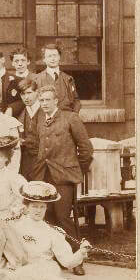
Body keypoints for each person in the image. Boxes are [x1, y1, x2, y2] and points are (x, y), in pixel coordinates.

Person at [27, 84, 94, 270]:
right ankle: (57, 257)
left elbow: (86, 149)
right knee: (47, 217)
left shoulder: (70, 118)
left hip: (64, 177)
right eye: (41, 100)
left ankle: (77, 259)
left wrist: (75, 168)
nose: (44, 103)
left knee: (63, 217)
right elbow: (34, 145)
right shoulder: (39, 119)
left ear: (56, 100)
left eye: (48, 99)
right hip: (43, 176)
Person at [3, 181, 95, 280]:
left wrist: (81, 252)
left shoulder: (54, 232)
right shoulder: (14, 226)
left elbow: (67, 262)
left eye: (42, 207)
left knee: (48, 279)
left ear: (46, 208)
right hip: (22, 267)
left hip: (45, 268)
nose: (38, 210)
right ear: (26, 207)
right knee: (13, 276)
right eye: (34, 206)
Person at [31, 44, 82, 113]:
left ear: (59, 57)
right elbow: (33, 102)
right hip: (45, 120)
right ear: (44, 59)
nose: (53, 59)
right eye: (49, 56)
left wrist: (73, 116)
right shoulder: (37, 79)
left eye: (55, 55)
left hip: (66, 118)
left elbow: (76, 101)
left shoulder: (68, 79)